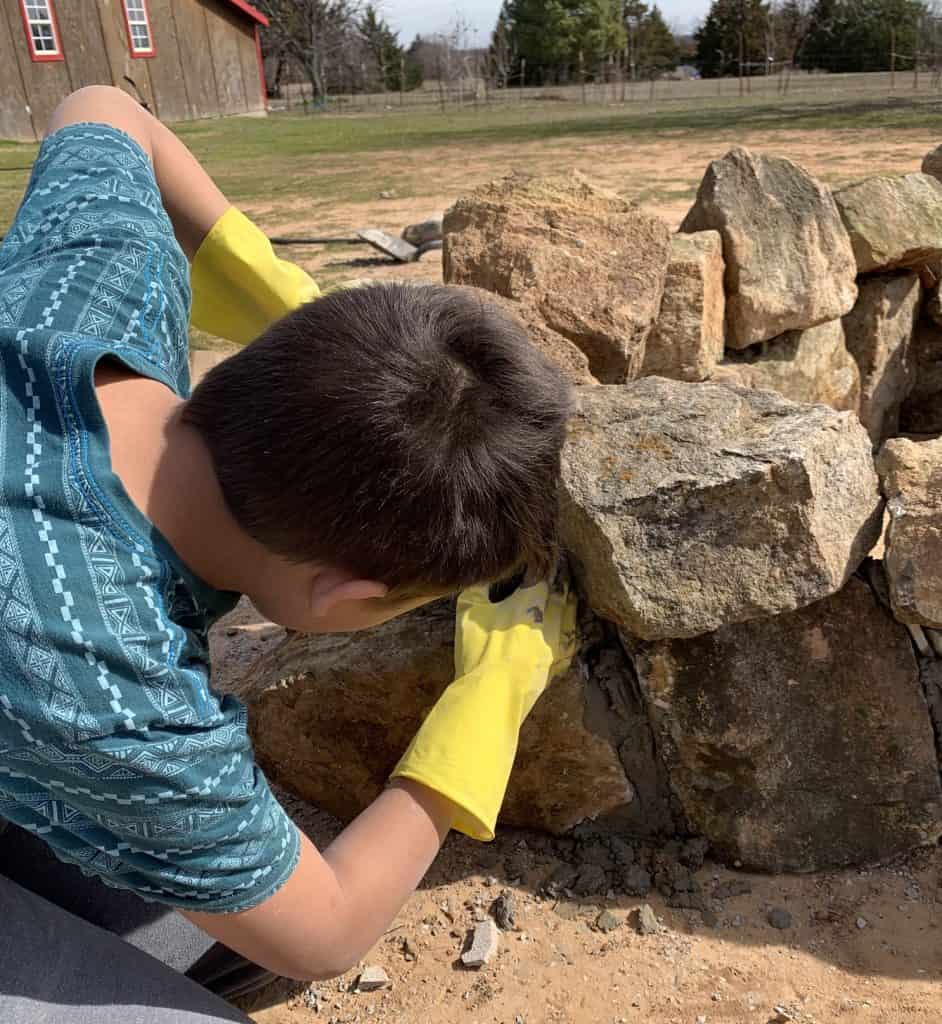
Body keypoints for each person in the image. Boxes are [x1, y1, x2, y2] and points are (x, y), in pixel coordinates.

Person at [0, 86, 577, 1023]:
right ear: (345, 595)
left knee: (201, 928)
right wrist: (490, 697)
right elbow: (331, 927)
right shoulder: (112, 689)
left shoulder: (98, 279)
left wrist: (277, 285)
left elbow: (106, 105)